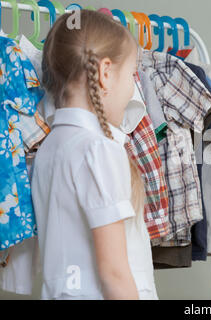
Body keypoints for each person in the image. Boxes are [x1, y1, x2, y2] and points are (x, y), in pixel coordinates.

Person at [31, 10, 157, 300]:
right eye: (131, 75)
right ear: (105, 73)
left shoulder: (48, 148)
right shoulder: (98, 150)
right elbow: (113, 272)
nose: (132, 89)